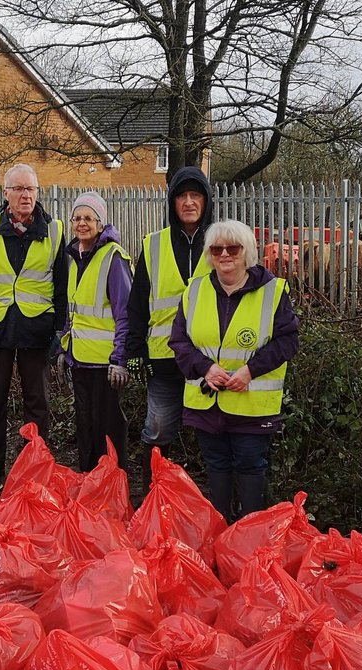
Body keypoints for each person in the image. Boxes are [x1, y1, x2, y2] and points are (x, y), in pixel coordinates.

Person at [169, 219, 299, 523]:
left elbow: (288, 341)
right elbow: (178, 340)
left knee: (251, 465)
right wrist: (205, 368)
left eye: (233, 248)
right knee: (216, 464)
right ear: (209, 254)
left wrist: (250, 371)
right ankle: (222, 530)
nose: (224, 254)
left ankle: (249, 534)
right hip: (208, 404)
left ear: (248, 252)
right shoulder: (194, 290)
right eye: (217, 249)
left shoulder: (272, 291)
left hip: (252, 406)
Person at [0, 163, 67, 487]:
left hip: (37, 331)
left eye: (30, 189)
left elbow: (62, 288)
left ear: (37, 192)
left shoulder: (55, 230)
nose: (25, 195)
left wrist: (61, 330)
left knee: (38, 404)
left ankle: (32, 470)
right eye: (18, 189)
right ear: (5, 193)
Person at [125, 166, 214, 497]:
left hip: (210, 362)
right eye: (181, 196)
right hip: (164, 358)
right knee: (158, 429)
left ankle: (208, 502)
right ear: (172, 203)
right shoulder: (153, 245)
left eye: (195, 195)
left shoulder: (221, 243)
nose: (189, 202)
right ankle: (153, 497)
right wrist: (134, 351)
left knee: (213, 436)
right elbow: (136, 305)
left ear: (206, 201)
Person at [57, 191, 132, 472]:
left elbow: (125, 314)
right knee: (85, 427)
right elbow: (72, 310)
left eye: (88, 218)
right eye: (77, 218)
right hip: (80, 361)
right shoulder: (75, 257)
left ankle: (112, 485)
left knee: (108, 429)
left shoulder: (113, 259)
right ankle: (88, 482)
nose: (81, 223)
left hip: (105, 364)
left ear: (101, 224)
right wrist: (65, 349)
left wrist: (120, 359)